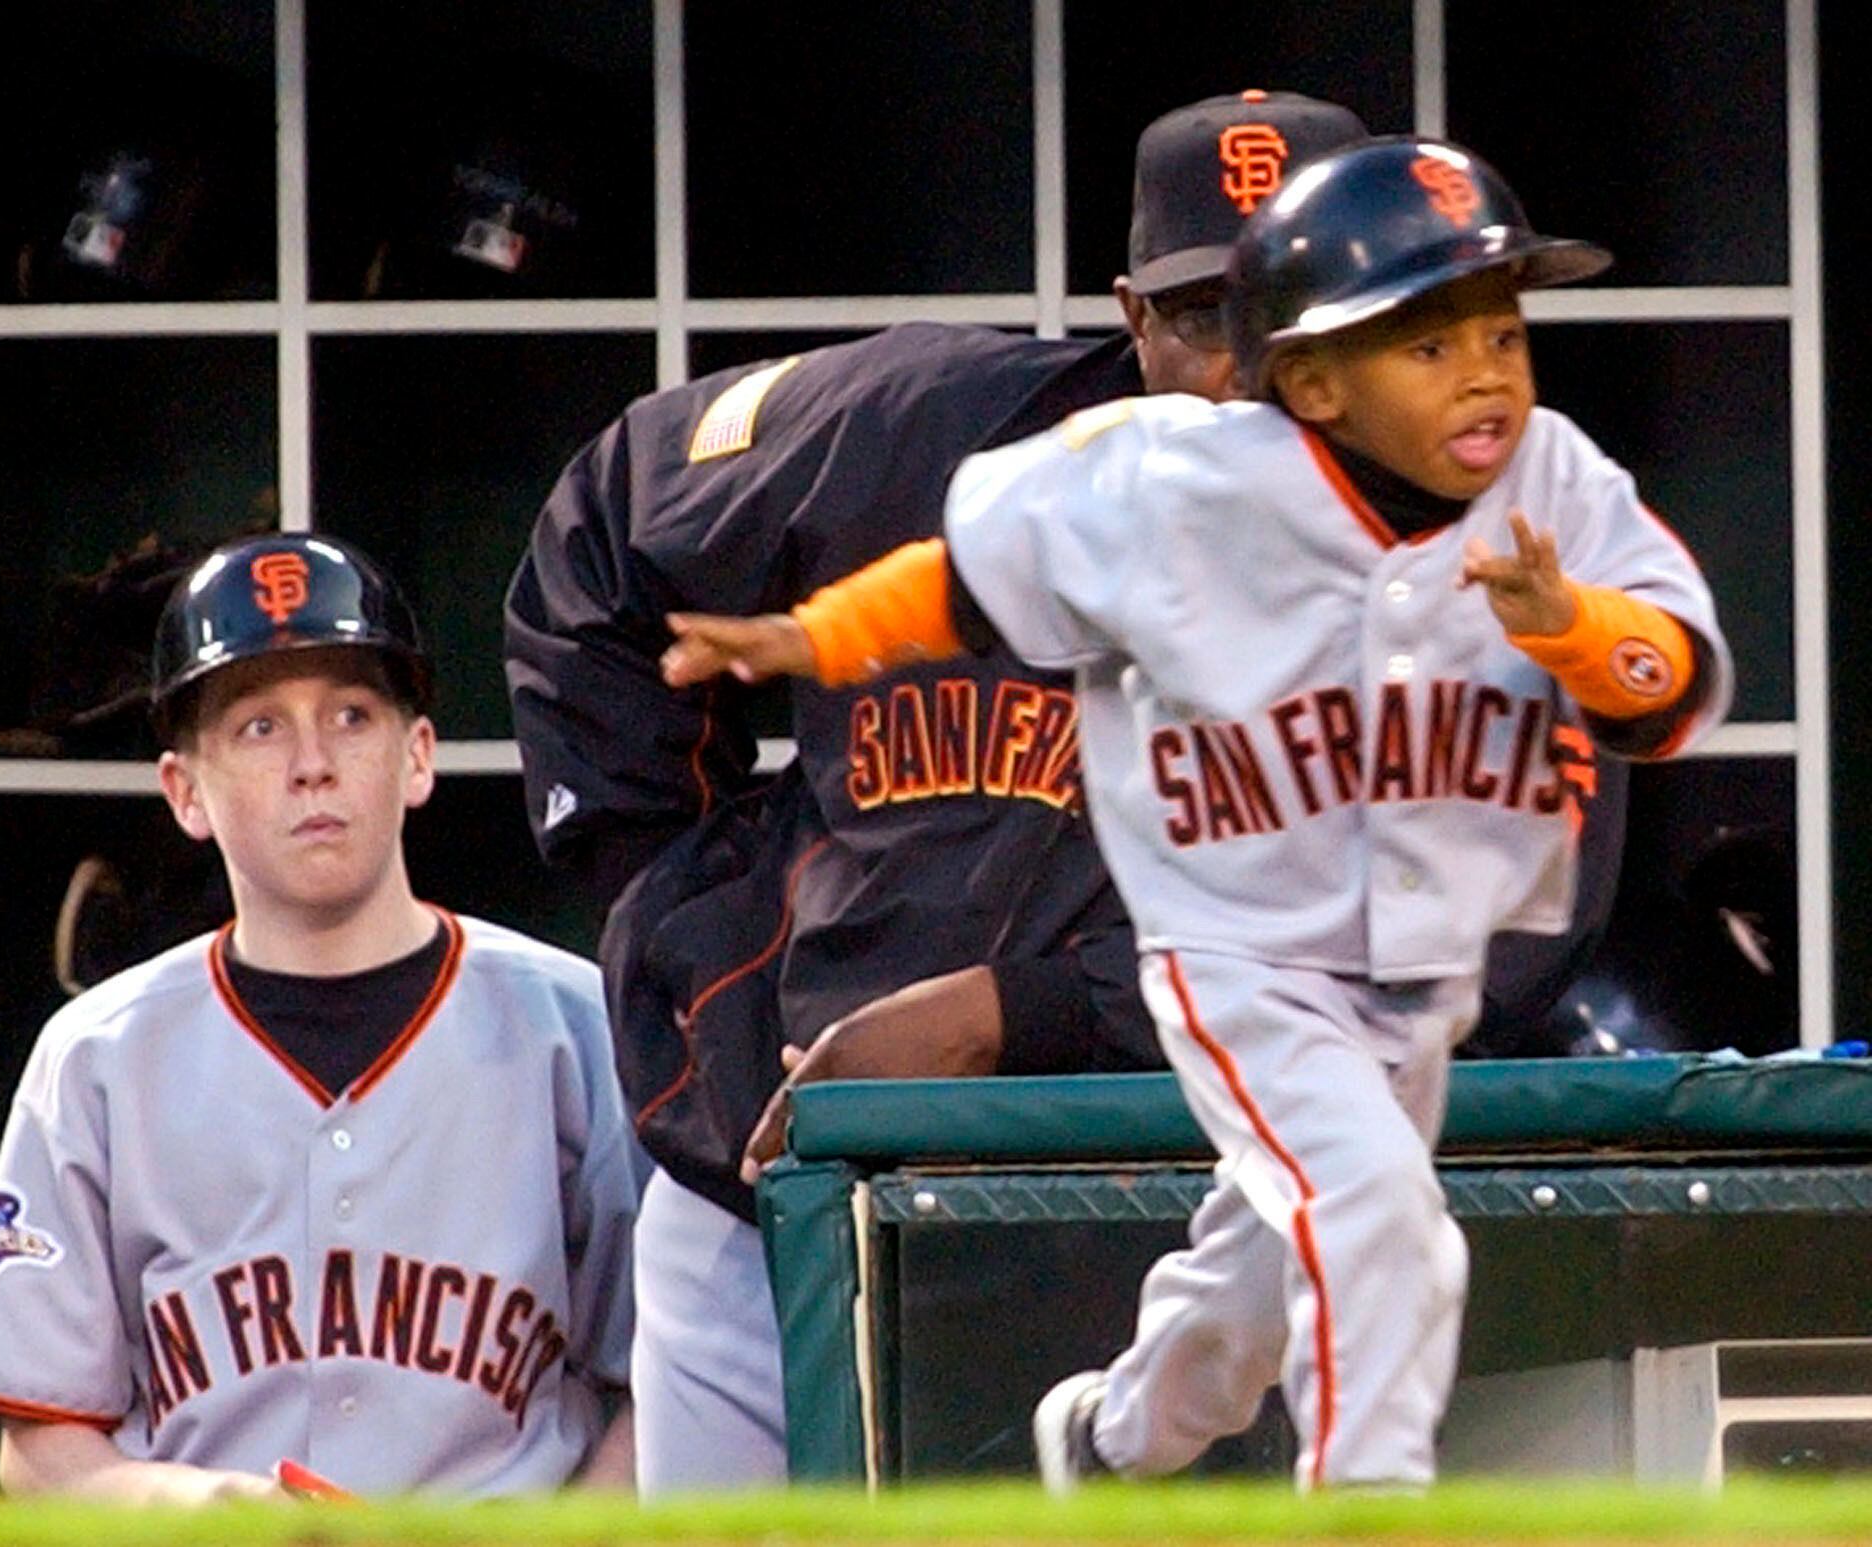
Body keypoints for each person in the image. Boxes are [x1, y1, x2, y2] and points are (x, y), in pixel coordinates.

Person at [657, 137, 1732, 1491]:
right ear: (1313, 377)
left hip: (1414, 975)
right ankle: (1371, 1501)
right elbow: (970, 582)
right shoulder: (1172, 481)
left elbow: (1671, 676)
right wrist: (811, 641)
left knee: (1264, 1251)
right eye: (1424, 337)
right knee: (1378, 1216)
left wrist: (1571, 626)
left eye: (1500, 330)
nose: (1481, 369)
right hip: (1236, 954)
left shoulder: (1552, 485)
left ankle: (1116, 1435)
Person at [505, 90, 1370, 1495]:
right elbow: (605, 526)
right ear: (1132, 318)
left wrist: (1009, 1014)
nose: (1244, 382)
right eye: (1207, 320)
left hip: (1159, 1237)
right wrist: (684, 903)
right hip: (782, 1196)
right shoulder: (915, 430)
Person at [0, 534, 637, 1502]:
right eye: (258, 726)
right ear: (185, 789)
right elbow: (40, 1444)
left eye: (351, 714)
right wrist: (208, 1510)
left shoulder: (575, 1028)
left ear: (417, 756)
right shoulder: (97, 1057)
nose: (313, 763)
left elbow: (666, 1386)